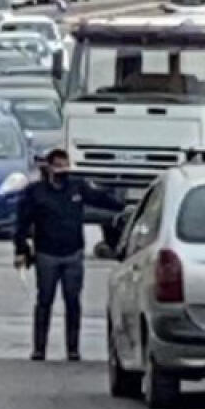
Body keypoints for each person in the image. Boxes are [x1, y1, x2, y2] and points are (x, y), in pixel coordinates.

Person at [14, 149, 123, 361]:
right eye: (58, 167)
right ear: (48, 168)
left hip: (73, 253)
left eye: (65, 167)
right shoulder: (35, 192)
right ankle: (39, 348)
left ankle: (73, 349)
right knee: (44, 301)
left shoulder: (78, 187)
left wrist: (125, 206)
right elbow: (22, 223)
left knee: (73, 302)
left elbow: (100, 198)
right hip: (46, 254)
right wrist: (21, 249)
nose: (62, 173)